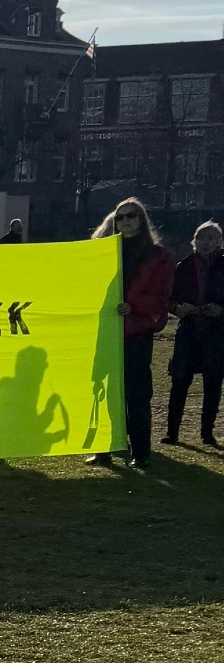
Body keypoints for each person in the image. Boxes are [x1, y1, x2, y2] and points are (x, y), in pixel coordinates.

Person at [89, 198, 173, 468]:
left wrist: (134, 307)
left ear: (142, 219)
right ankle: (105, 448)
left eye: (131, 216)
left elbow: (162, 297)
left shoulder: (157, 256)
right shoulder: (105, 252)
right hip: (106, 332)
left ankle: (140, 451)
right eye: (120, 217)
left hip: (135, 333)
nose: (125, 221)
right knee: (104, 392)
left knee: (136, 394)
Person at [166, 220, 224, 448]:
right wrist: (179, 308)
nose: (205, 243)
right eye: (201, 238)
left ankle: (207, 433)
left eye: (211, 238)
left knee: (213, 383)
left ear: (219, 242)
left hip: (217, 335)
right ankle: (172, 433)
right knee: (179, 381)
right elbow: (169, 299)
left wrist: (222, 310)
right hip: (188, 333)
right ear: (194, 241)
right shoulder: (183, 267)